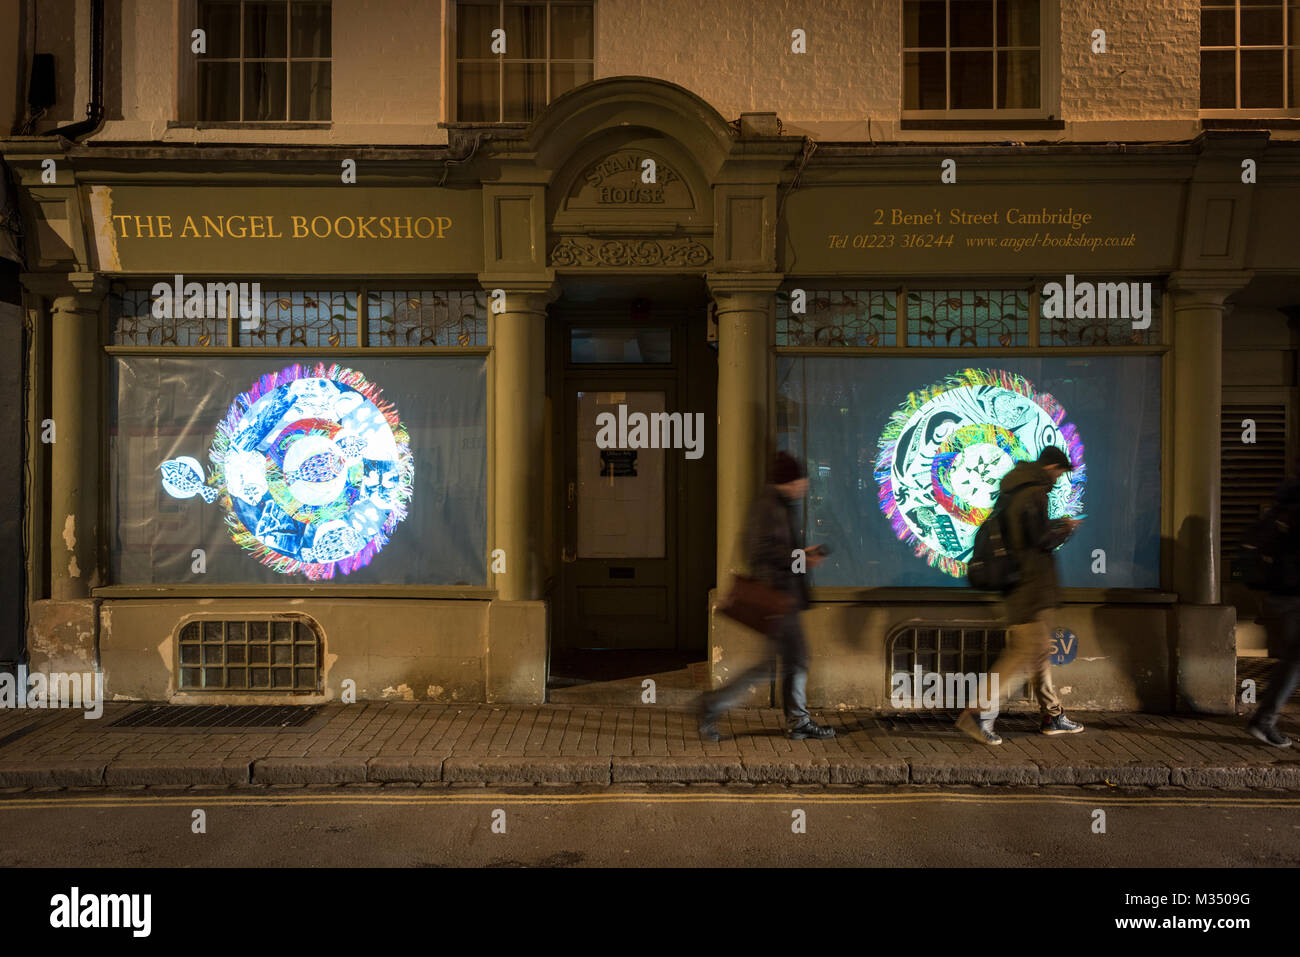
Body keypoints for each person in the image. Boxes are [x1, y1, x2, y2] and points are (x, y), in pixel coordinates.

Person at [698, 451, 835, 741]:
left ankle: (796, 720)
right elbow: (761, 552)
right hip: (778, 597)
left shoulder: (780, 504)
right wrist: (803, 558)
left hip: (784, 597)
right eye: (800, 480)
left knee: (786, 662)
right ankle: (712, 705)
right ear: (788, 481)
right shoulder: (769, 507)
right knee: (780, 664)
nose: (805, 485)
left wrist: (802, 557)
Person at [956, 446, 1086, 745]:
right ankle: (978, 714)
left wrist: (1054, 527)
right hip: (1029, 587)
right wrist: (1065, 528)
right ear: (1051, 467)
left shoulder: (1015, 490)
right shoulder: (1034, 492)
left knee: (1038, 652)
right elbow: (1038, 539)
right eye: (1059, 472)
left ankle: (1052, 714)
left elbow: (1026, 534)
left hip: (1021, 586)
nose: (1058, 479)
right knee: (1022, 654)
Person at [1246, 479, 1300, 748]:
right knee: (1294, 660)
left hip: (1283, 591)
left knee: (1293, 659)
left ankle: (1264, 720)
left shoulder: (1288, 497)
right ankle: (1264, 720)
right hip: (1293, 593)